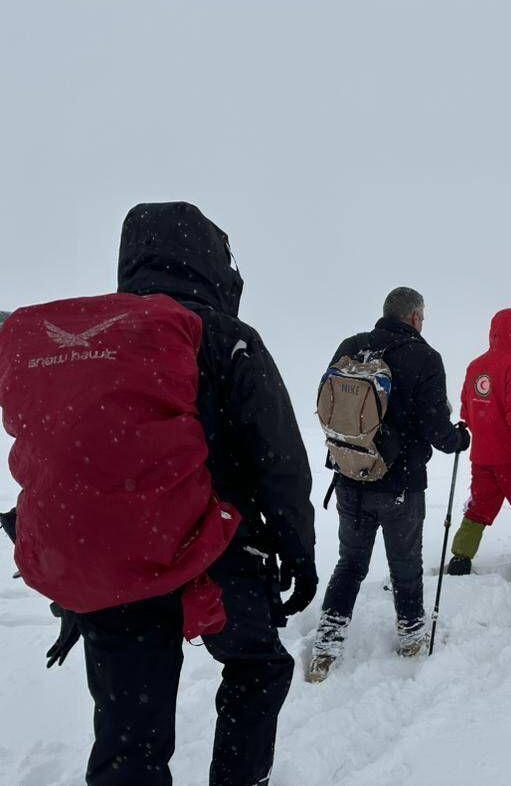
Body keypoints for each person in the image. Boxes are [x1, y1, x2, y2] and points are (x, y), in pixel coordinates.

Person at [0, 202, 317, 786]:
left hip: (111, 566)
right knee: (258, 668)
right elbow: (282, 463)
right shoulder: (226, 337)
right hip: (217, 555)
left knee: (128, 737)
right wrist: (299, 552)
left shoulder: (102, 341)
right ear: (213, 263)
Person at [308, 288, 469, 677]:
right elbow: (435, 429)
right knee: (405, 565)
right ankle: (412, 638)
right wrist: (459, 437)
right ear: (414, 317)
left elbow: (326, 403)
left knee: (349, 563)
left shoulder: (352, 346)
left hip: (349, 477)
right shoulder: (426, 358)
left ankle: (326, 646)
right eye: (423, 317)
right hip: (401, 485)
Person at [447, 309, 511, 580]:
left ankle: (460, 560)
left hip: (481, 458)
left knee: (478, 509)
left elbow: (467, 412)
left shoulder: (474, 366)